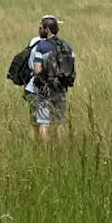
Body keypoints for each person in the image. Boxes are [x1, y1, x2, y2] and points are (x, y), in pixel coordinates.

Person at [26, 15, 75, 145]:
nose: (40, 30)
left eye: (41, 28)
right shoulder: (67, 46)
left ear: (47, 30)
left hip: (44, 90)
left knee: (43, 122)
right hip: (61, 88)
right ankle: (61, 149)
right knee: (60, 121)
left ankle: (46, 152)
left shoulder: (42, 46)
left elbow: (37, 69)